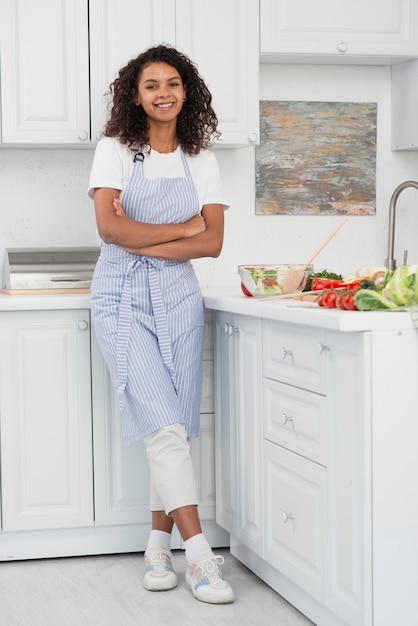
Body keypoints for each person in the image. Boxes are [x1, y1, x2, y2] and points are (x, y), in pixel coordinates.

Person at [87, 44, 234, 605]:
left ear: (186, 91)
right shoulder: (115, 150)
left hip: (178, 300)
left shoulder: (202, 158)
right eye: (152, 85)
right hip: (121, 299)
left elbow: (214, 242)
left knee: (168, 423)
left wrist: (146, 232)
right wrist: (181, 228)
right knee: (164, 425)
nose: (164, 93)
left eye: (173, 83)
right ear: (136, 94)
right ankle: (200, 556)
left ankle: (156, 544)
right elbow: (108, 231)